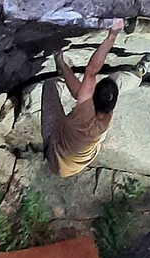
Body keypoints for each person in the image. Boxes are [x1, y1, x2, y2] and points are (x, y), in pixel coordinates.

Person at [41, 18, 132, 179]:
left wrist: (112, 35)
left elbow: (91, 71)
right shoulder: (106, 116)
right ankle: (137, 76)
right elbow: (83, 92)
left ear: (93, 97)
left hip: (56, 156)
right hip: (79, 158)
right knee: (82, 94)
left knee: (50, 85)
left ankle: (61, 65)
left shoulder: (85, 117)